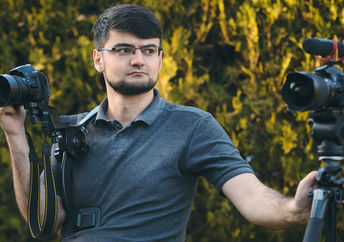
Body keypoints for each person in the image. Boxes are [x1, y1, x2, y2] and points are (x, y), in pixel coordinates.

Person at [0, 4, 320, 242]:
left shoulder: (193, 127)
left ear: (160, 59)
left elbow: (252, 197)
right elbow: (44, 221)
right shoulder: (70, 132)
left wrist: (294, 208)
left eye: (148, 50)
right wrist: (16, 136)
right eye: (124, 49)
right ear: (99, 59)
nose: (139, 60)